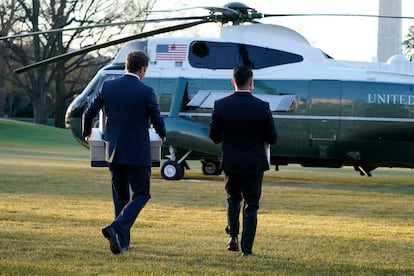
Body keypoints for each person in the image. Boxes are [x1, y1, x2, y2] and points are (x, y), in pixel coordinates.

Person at [82, 50, 166, 254]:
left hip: (114, 151)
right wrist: (162, 135)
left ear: (126, 66)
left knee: (121, 197)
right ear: (142, 69)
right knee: (142, 194)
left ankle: (122, 242)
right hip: (138, 152)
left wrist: (86, 133)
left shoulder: (108, 86)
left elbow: (89, 112)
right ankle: (117, 228)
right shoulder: (146, 91)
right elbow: (156, 119)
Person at [209, 65, 277, 257]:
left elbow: (214, 136)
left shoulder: (220, 105)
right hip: (254, 162)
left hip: (231, 161)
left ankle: (233, 237)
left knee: (233, 199)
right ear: (251, 82)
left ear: (233, 82)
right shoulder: (262, 107)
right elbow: (272, 137)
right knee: (252, 205)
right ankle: (247, 249)